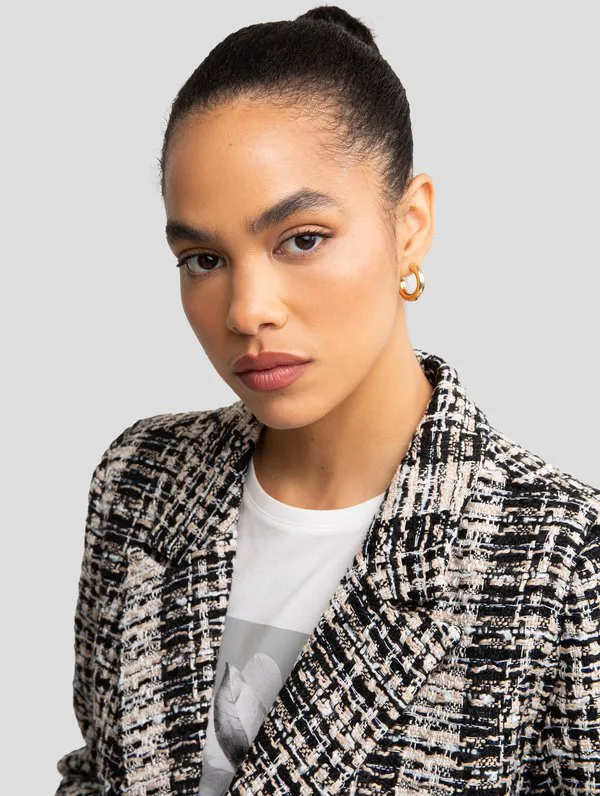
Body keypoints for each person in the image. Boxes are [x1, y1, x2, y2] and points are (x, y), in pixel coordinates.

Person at [55, 6, 600, 795]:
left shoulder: (560, 559)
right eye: (203, 258)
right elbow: (96, 773)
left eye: (301, 239)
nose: (248, 311)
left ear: (410, 226)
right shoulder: (141, 481)